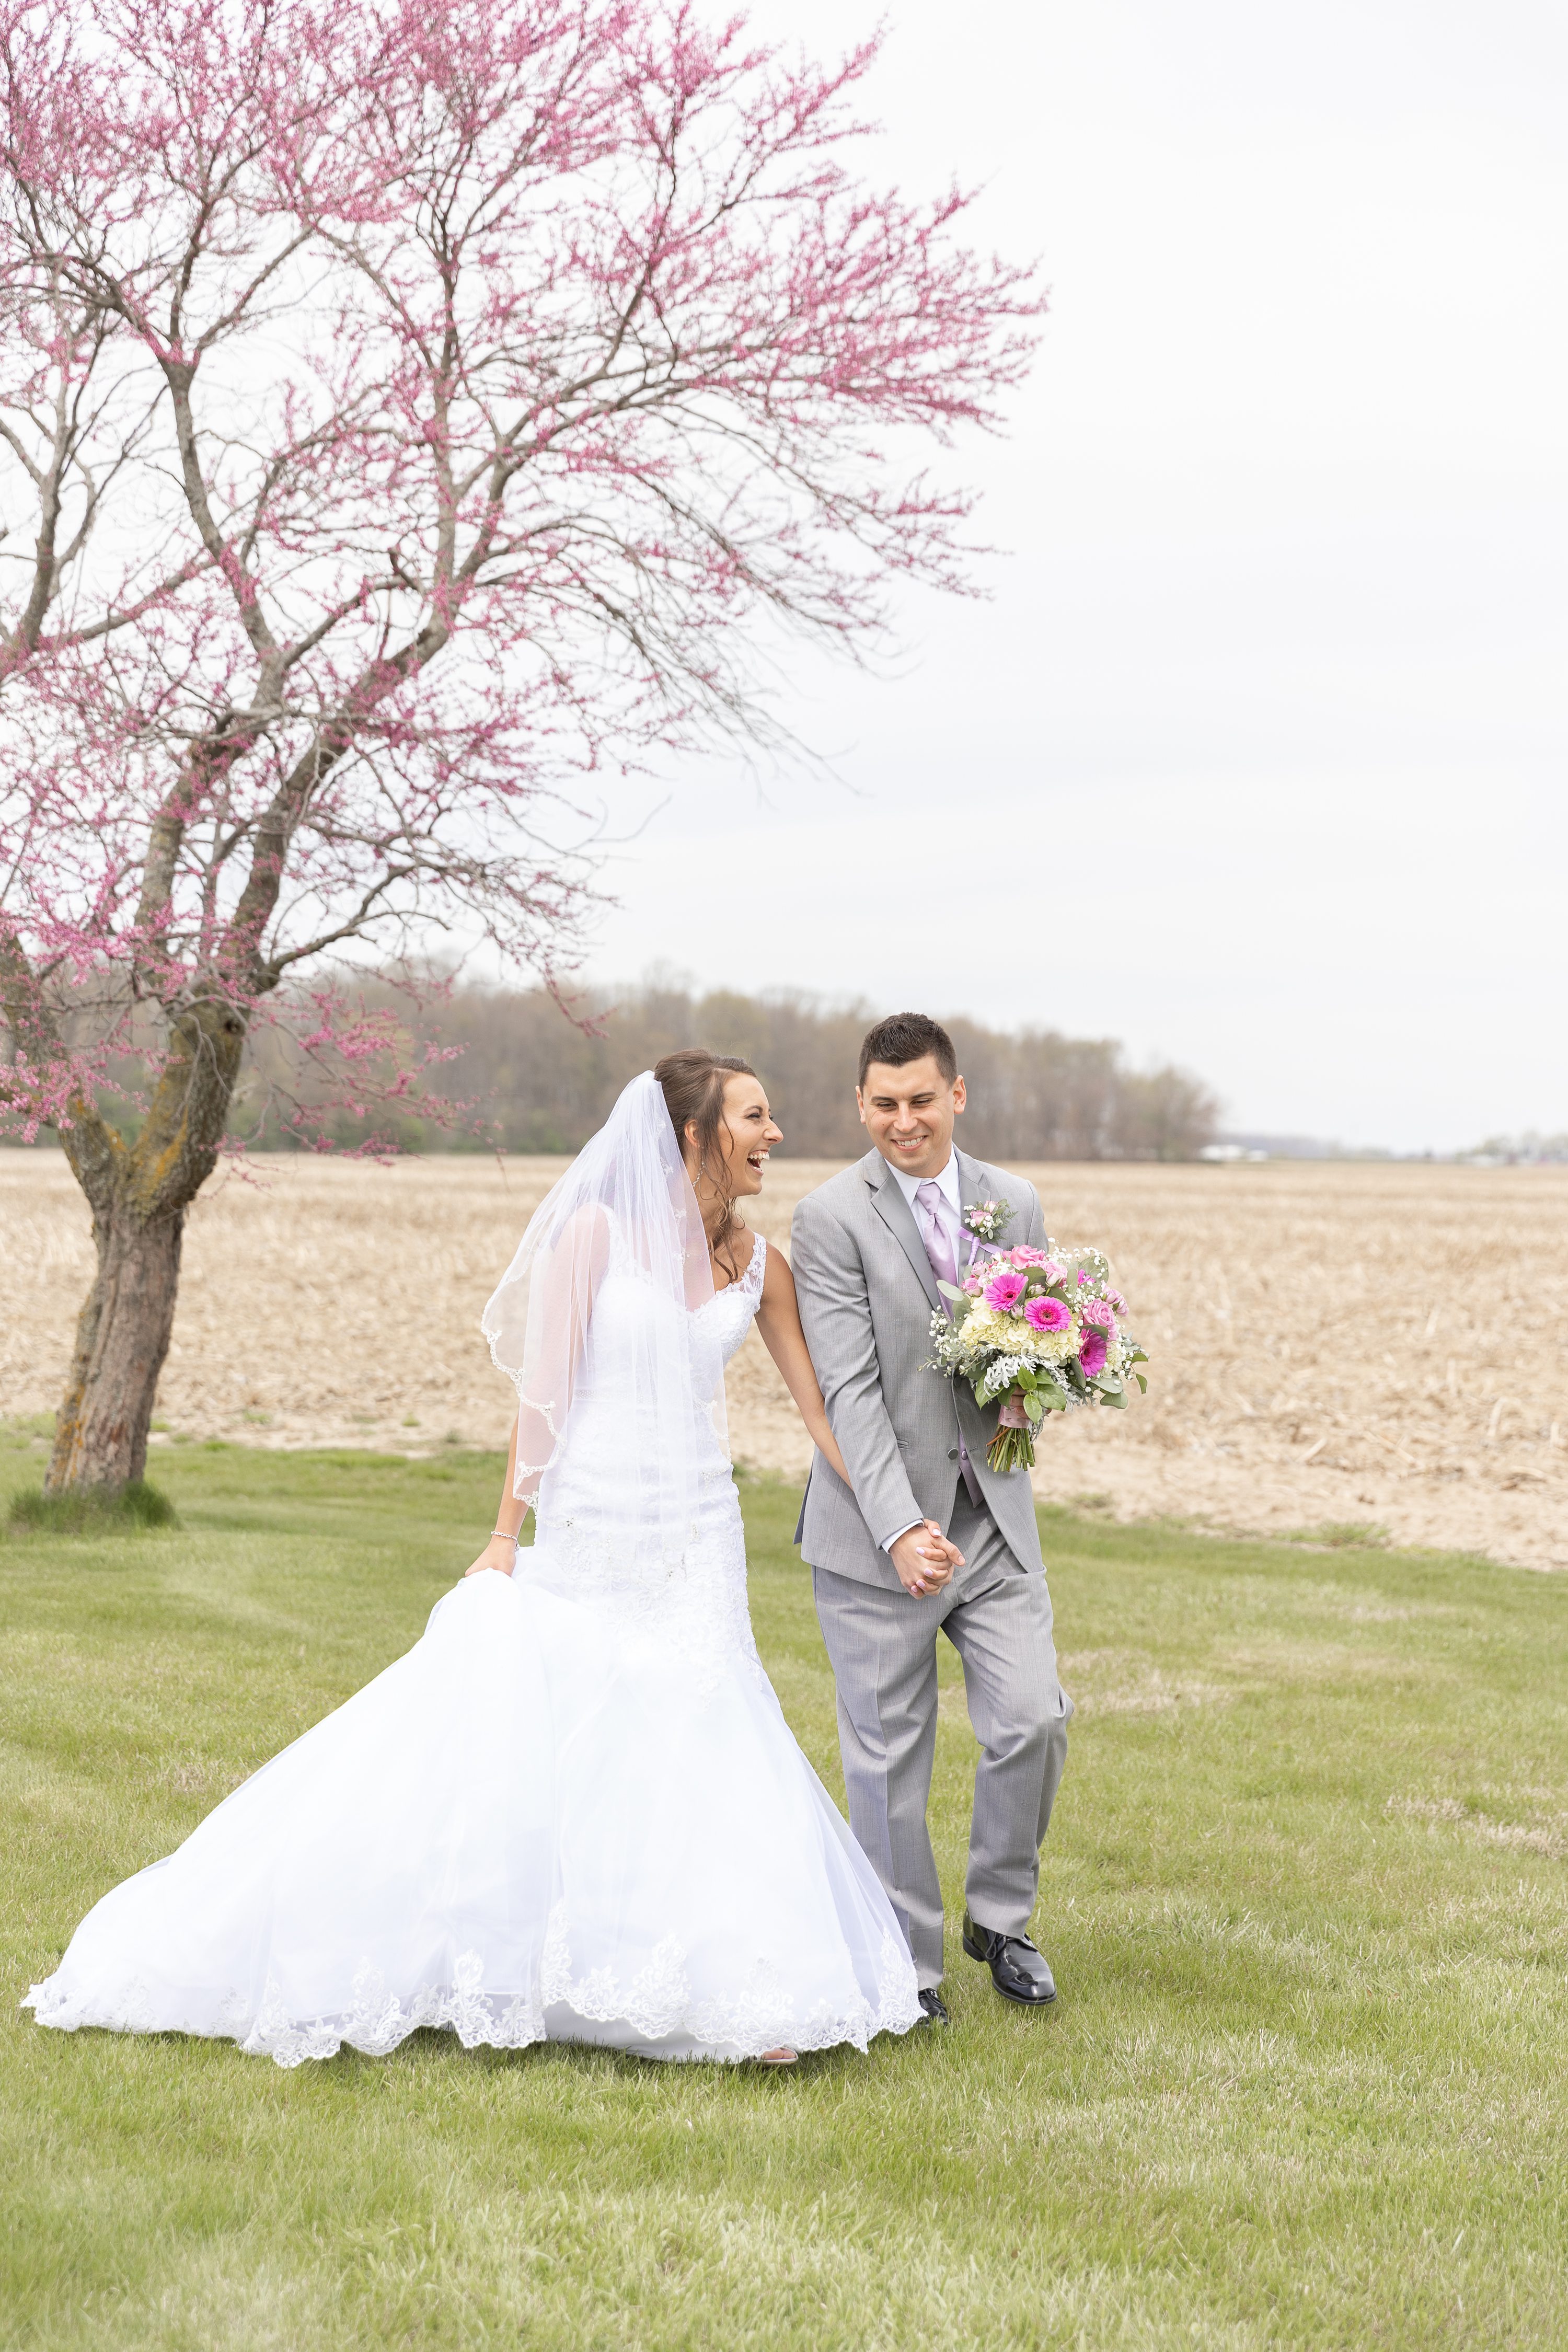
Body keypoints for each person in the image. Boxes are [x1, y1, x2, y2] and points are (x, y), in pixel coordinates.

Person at [25, 1055, 927, 2067]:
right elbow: (540, 1400)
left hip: (699, 1540)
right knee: (586, 1736)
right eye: (756, 1116)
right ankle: (527, 1957)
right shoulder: (594, 1239)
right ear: (692, 1133)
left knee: (702, 1735)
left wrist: (899, 1522)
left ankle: (727, 1991)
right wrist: (507, 1534)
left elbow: (821, 1412)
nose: (774, 1133)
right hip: (594, 1527)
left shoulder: (760, 1265)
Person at [790, 1013, 1073, 2024]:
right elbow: (849, 1389)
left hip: (993, 1523)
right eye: (883, 1104)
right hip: (878, 1534)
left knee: (1034, 1716)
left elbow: (1031, 1352)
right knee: (887, 1760)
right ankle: (904, 1964)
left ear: (957, 1095)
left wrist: (1042, 1381)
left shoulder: (1016, 1202)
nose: (902, 1122)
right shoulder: (829, 1218)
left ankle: (1001, 1919)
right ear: (861, 1105)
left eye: (920, 1100)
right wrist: (900, 1525)